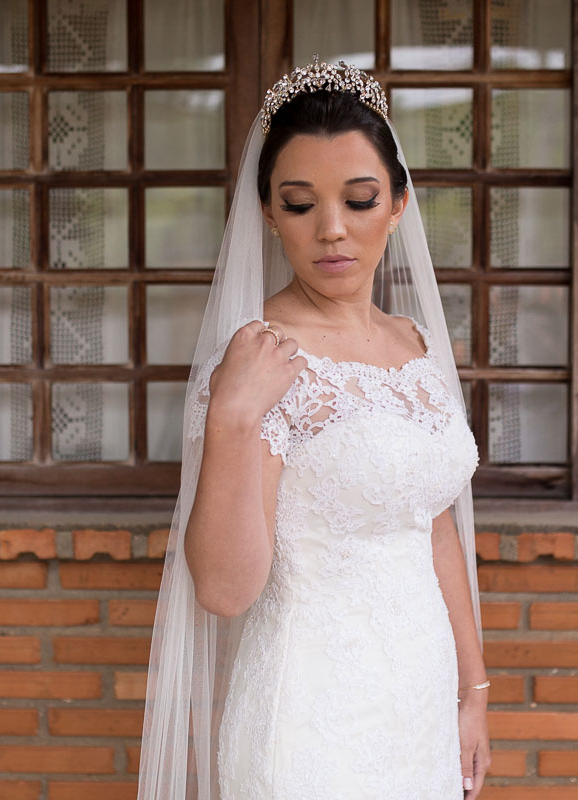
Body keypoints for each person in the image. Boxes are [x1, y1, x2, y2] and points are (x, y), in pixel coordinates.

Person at [137, 58, 490, 800]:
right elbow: (227, 591)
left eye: (359, 199)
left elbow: (434, 532)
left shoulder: (418, 346)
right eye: (299, 205)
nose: (332, 229)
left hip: (420, 711)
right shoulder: (258, 360)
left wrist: (473, 693)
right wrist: (234, 416)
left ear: (397, 203)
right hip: (310, 727)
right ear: (267, 212)